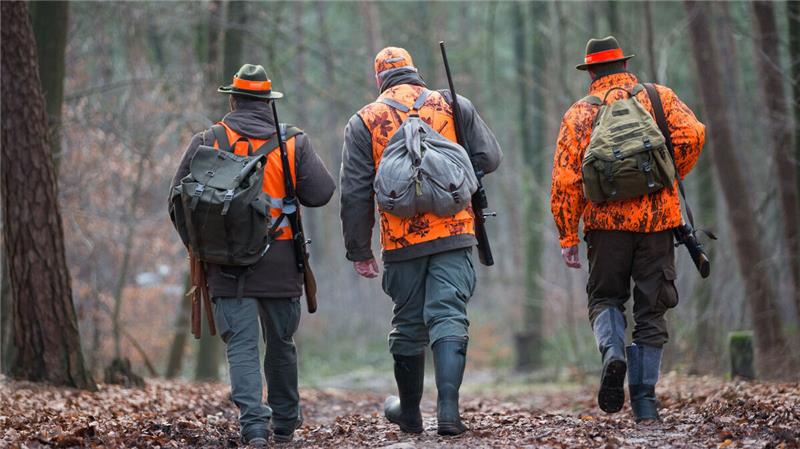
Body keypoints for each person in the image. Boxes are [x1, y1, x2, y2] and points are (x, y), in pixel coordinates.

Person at [170, 64, 335, 446]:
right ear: (267, 102)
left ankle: (254, 427)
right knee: (281, 344)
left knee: (241, 347)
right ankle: (285, 423)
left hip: (225, 266)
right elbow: (322, 193)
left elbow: (176, 201)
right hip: (280, 263)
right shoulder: (293, 142)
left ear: (233, 99)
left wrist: (201, 247)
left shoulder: (209, 140)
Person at [340, 47, 502, 436]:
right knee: (448, 316)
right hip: (454, 232)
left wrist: (359, 250)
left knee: (409, 324)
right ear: (416, 73)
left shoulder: (365, 120)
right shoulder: (452, 105)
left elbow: (355, 193)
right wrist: (461, 176)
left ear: (379, 80)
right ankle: (449, 412)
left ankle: (409, 412)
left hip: (401, 241)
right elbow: (490, 157)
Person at [550, 36, 705, 423]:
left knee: (605, 299)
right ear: (623, 65)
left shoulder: (580, 114)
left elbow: (566, 181)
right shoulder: (658, 98)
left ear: (591, 72)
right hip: (658, 222)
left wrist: (568, 236)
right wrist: (666, 177)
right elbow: (694, 135)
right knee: (652, 310)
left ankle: (613, 352)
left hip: (605, 226)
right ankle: (645, 401)